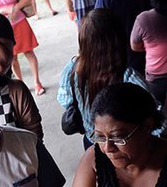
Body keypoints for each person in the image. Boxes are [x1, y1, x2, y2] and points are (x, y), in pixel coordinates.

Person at [57, 9, 149, 146]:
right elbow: (155, 116)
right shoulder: (127, 76)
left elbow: (64, 99)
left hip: (92, 141)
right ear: (118, 40)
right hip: (124, 146)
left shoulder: (72, 68)